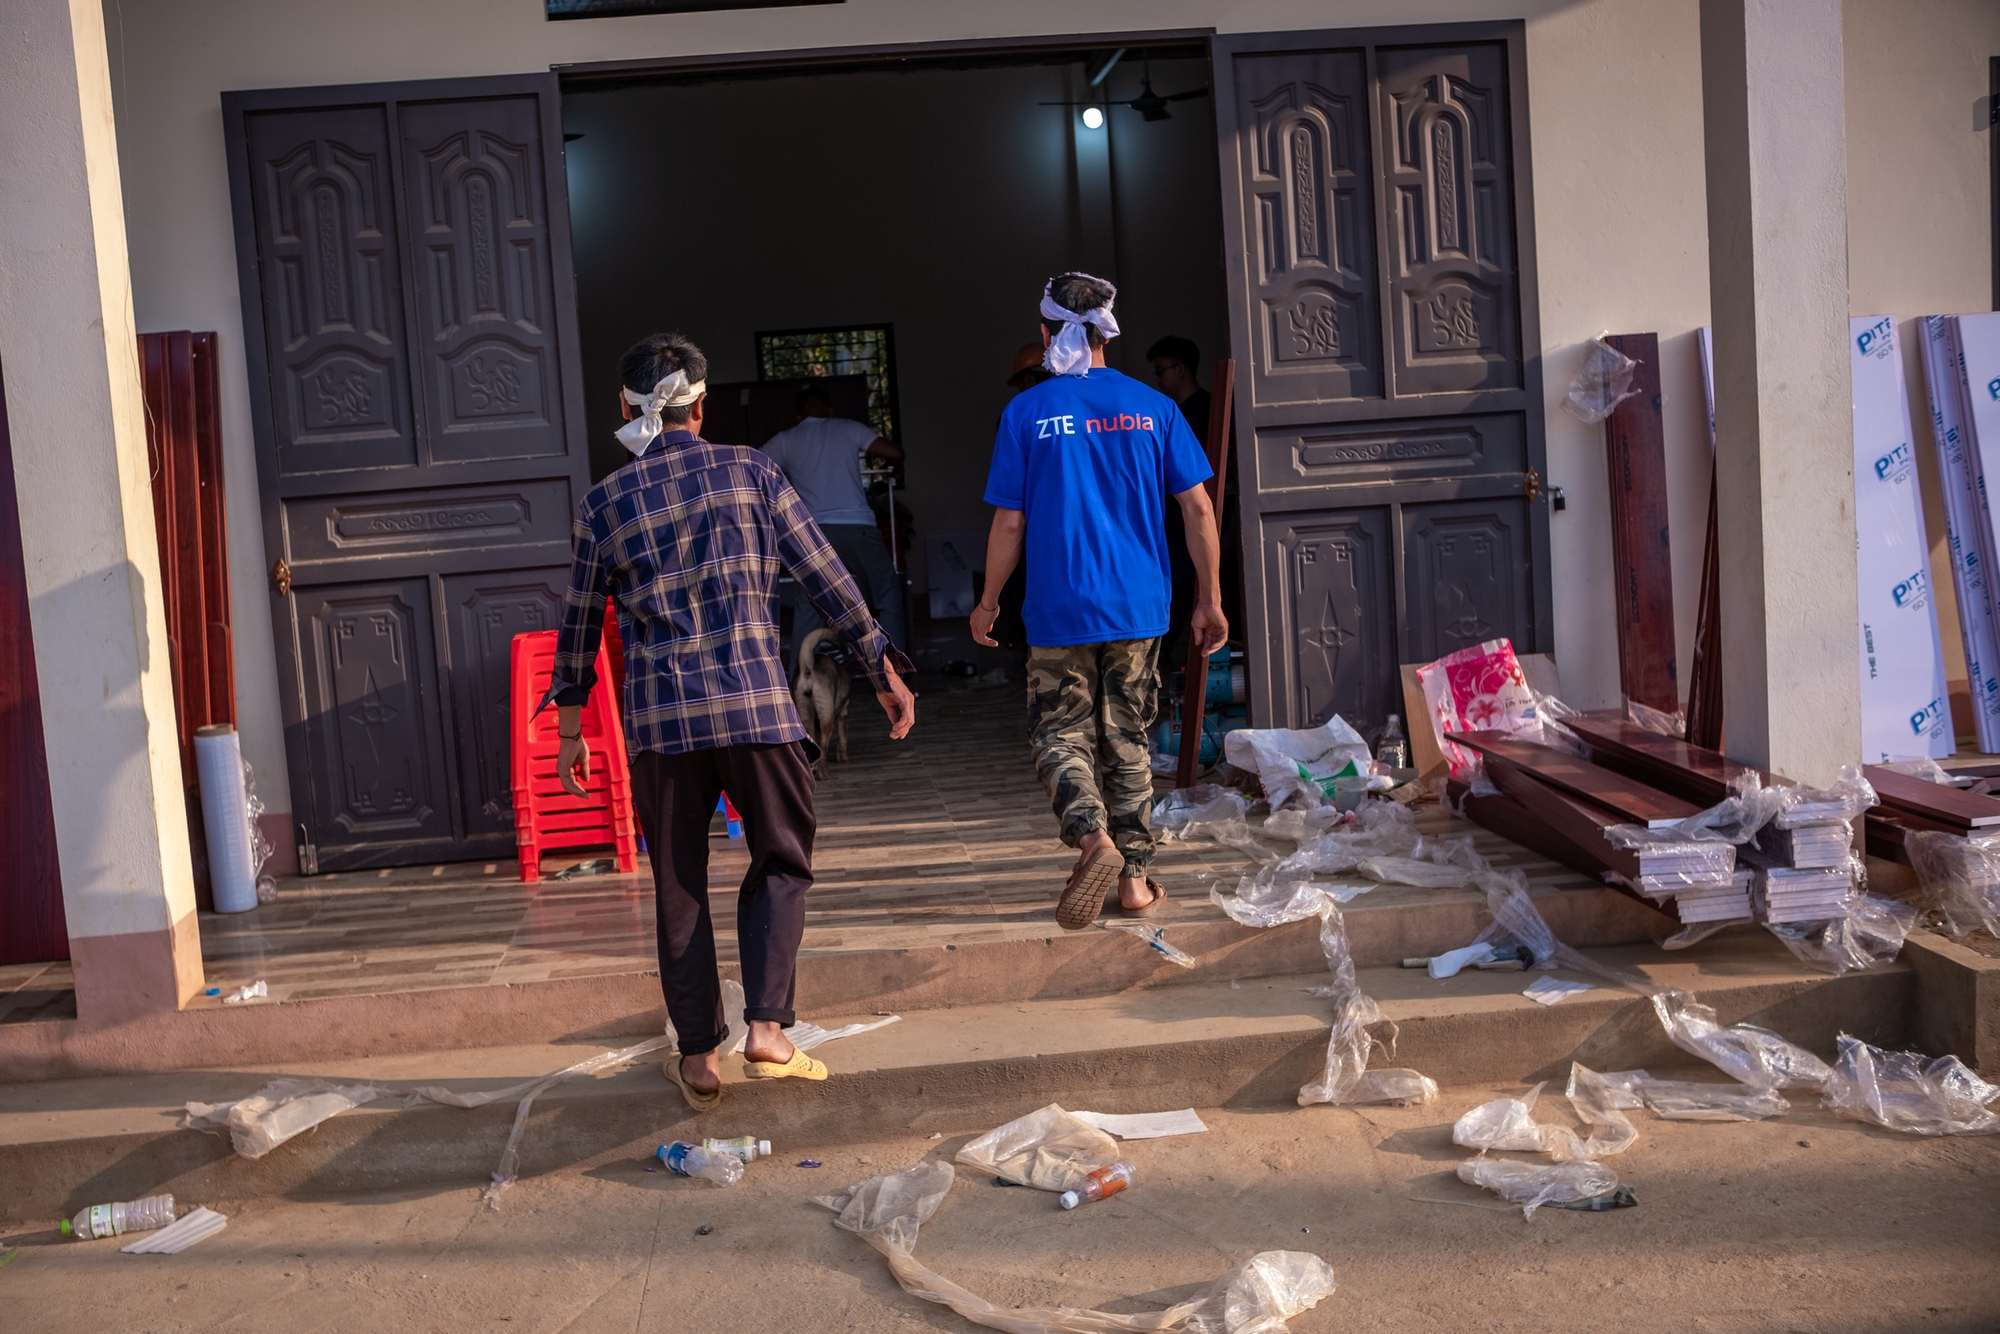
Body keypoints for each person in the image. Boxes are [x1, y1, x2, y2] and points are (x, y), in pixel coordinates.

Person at [540, 332, 917, 1111]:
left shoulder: (603, 502)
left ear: (626, 408)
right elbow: (826, 572)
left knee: (678, 887)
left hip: (663, 725)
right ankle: (769, 1030)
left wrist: (571, 724)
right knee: (782, 860)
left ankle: (700, 1057)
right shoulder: (753, 470)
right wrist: (878, 663)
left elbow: (579, 621)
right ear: (700, 406)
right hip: (753, 707)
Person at [972, 275, 1228, 928]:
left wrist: (988, 600)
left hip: (1059, 611)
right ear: (1111, 330)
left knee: (1061, 732)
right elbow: (1197, 506)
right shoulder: (1154, 408)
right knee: (1129, 738)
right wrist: (1211, 599)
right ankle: (1137, 883)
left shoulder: (1027, 413)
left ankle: (1094, 839)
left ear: (1044, 332)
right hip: (1140, 607)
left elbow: (1009, 523)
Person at [760, 384, 908, 666]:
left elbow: (753, 469)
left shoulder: (786, 439)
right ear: (829, 410)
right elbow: (893, 451)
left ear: (799, 415)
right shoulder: (849, 428)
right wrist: (898, 465)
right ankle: (895, 669)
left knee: (810, 605)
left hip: (814, 536)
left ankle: (797, 680)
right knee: (887, 595)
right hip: (858, 529)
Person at [1147, 336, 1210, 666]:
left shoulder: (1195, 415)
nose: (1157, 379)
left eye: (1161, 371)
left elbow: (1199, 498)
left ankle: (1165, 660)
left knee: (1183, 591)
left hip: (1189, 522)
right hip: (1172, 522)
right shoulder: (1171, 412)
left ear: (1181, 369)